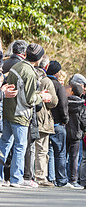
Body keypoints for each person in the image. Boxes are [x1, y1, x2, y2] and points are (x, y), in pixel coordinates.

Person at [0, 43, 51, 188]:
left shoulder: (16, 66)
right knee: (20, 146)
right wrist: (41, 96)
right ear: (39, 58)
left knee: (4, 143)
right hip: (20, 114)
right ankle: (16, 178)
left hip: (8, 111)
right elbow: (29, 99)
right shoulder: (29, 72)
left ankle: (0, 176)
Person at [33, 56, 59, 187]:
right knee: (42, 150)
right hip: (42, 118)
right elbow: (53, 102)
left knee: (29, 148)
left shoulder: (31, 75)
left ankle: (28, 175)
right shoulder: (46, 81)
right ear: (46, 66)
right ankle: (40, 176)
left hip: (27, 116)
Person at [47, 60, 70, 187]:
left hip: (45, 123)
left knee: (49, 151)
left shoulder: (43, 83)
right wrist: (65, 119)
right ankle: (61, 179)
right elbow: (63, 105)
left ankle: (50, 178)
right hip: (57, 123)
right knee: (60, 153)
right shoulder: (58, 86)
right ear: (56, 73)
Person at [65, 84, 86, 189]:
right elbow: (84, 121)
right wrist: (84, 130)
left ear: (72, 92)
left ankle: (62, 178)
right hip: (77, 134)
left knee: (62, 156)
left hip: (65, 132)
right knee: (74, 158)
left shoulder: (66, 103)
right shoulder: (82, 106)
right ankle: (73, 179)